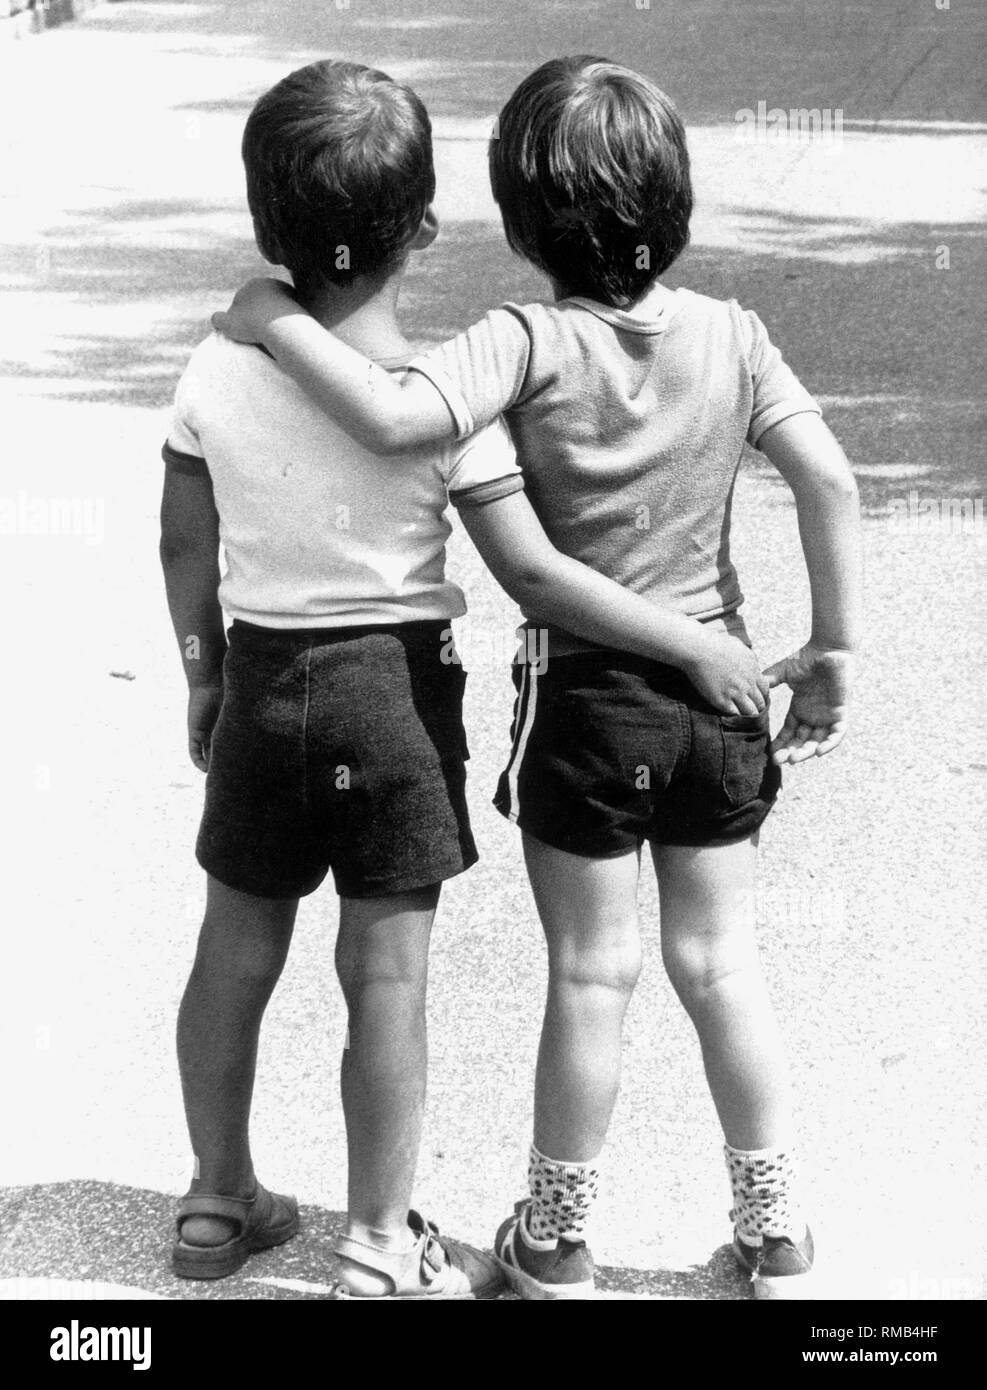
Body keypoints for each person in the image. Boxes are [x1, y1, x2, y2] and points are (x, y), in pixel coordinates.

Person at [212, 55, 862, 1301]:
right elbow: (830, 479)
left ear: (516, 222)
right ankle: (776, 1237)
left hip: (590, 707)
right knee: (724, 964)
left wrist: (272, 317)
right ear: (677, 202)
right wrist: (830, 649)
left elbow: (400, 422)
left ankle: (556, 1244)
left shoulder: (518, 342)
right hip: (722, 702)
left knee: (591, 973)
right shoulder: (736, 335)